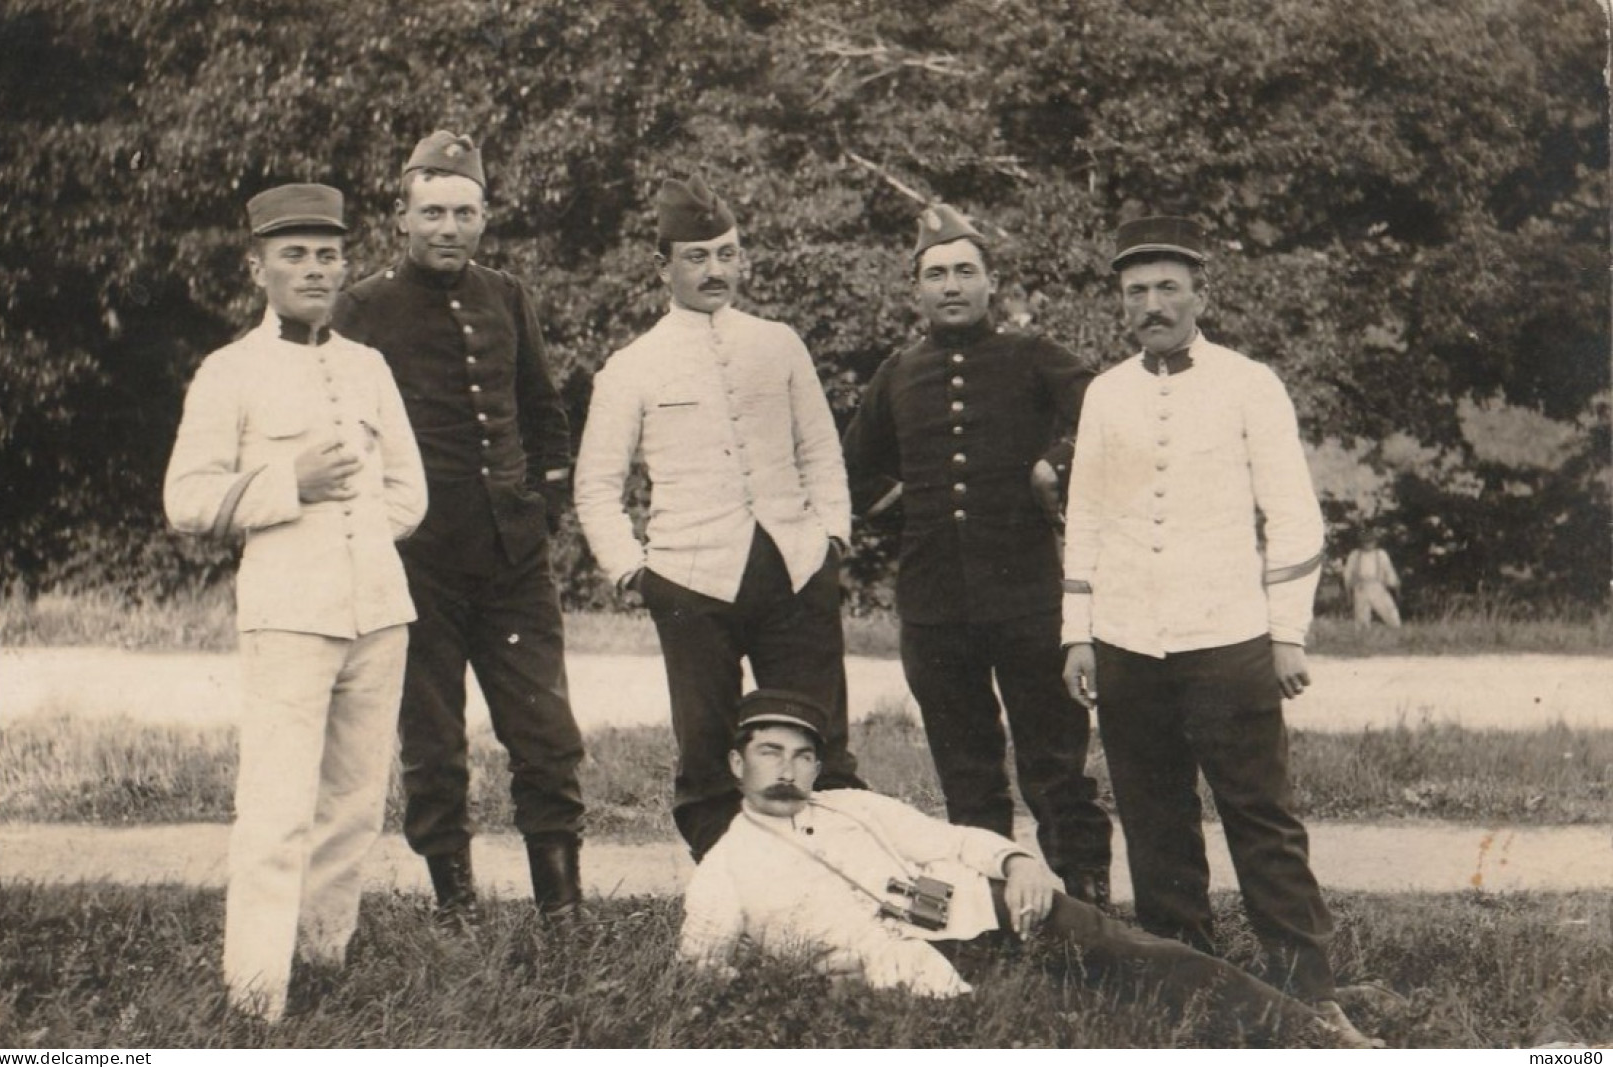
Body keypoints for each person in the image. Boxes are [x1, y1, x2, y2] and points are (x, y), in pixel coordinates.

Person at [1059, 216, 1371, 1040]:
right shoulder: (1103, 393)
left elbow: (1296, 520)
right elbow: (1083, 518)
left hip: (1228, 641)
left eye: (1167, 287)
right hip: (1127, 643)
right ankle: (1185, 994)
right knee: (1156, 822)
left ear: (1200, 293)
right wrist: (1077, 631)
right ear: (1119, 303)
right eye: (1136, 291)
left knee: (1260, 820)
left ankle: (1309, 991)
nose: (1152, 304)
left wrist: (1285, 632)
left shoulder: (1249, 384)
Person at [677, 691, 1377, 1047]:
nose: (787, 769)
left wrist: (1018, 861)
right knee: (1090, 1019)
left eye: (801, 755)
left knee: (1145, 956)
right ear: (737, 764)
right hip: (910, 969)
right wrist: (808, 980)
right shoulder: (725, 868)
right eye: (769, 752)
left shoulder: (851, 805)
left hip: (985, 907)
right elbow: (701, 976)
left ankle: (1312, 1035)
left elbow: (950, 836)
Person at [164, 183, 426, 1020]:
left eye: (327, 255)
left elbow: (407, 492)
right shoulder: (228, 372)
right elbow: (188, 501)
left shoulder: (368, 366)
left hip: (378, 611)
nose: (315, 270)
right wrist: (291, 486)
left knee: (353, 805)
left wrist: (355, 543)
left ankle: (321, 962)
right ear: (258, 268)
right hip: (287, 615)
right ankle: (255, 995)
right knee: (276, 807)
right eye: (295, 256)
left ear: (345, 264)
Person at [574, 175, 866, 861]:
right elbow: (596, 485)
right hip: (689, 580)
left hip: (794, 568)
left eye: (727, 254)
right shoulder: (631, 366)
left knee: (819, 738)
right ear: (663, 266)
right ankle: (728, 888)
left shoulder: (779, 344)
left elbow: (821, 452)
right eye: (698, 256)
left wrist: (829, 540)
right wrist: (634, 573)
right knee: (706, 752)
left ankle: (837, 879)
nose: (715, 270)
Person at [334, 131, 585, 920]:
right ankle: (457, 906)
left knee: (546, 730)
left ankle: (563, 910)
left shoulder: (506, 294)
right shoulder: (363, 307)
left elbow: (543, 410)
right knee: (433, 742)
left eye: (465, 212)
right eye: (433, 212)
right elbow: (341, 427)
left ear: (485, 217)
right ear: (401, 218)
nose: (450, 228)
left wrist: (542, 507)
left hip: (513, 558)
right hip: (418, 562)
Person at [842, 204, 1112, 904]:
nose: (951, 285)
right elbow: (851, 470)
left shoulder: (1030, 355)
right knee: (966, 771)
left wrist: (1055, 463)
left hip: (1027, 597)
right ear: (915, 293)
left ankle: (1083, 905)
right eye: (936, 275)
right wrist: (909, 510)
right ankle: (986, 907)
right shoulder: (898, 374)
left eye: (965, 271)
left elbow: (1106, 408)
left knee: (1054, 763)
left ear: (992, 284)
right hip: (934, 607)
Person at [1344, 532, 1402, 627]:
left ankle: (1396, 628)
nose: (1368, 544)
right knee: (1361, 615)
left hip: (1377, 586)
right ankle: (1363, 635)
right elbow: (1348, 572)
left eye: (1370, 541)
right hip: (1360, 586)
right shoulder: (1355, 555)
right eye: (1365, 542)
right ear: (1361, 543)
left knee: (1389, 611)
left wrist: (1394, 583)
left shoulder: (1381, 554)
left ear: (1375, 542)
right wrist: (1349, 587)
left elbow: (1388, 569)